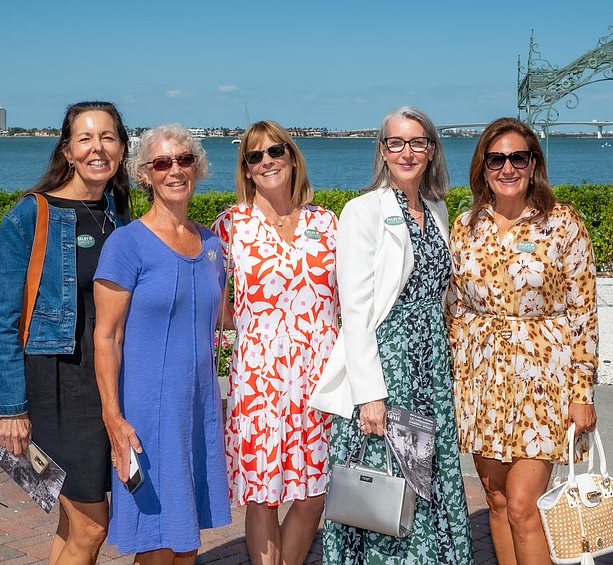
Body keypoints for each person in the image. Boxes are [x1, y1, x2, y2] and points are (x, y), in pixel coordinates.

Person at [310, 106, 474, 564]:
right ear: (382, 151)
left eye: (417, 142)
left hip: (431, 366)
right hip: (390, 364)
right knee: (386, 481)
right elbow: (357, 313)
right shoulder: (363, 211)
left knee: (430, 481)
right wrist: (370, 395)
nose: (407, 152)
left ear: (431, 150)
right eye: (396, 143)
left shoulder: (438, 208)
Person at [447, 117, 598, 565]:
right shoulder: (465, 226)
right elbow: (455, 308)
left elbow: (583, 312)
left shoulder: (562, 223)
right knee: (495, 499)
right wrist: (456, 376)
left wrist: (582, 392)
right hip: (482, 381)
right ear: (483, 168)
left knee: (523, 505)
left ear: (534, 164)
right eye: (497, 158)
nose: (507, 167)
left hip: (543, 380)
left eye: (518, 157)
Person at [0, 101, 131, 564]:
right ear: (67, 150)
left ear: (123, 148)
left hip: (104, 382)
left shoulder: (115, 214)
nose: (98, 147)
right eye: (85, 138)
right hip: (55, 382)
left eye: (108, 137)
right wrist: (12, 409)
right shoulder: (30, 215)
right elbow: (5, 319)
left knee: (72, 523)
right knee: (92, 525)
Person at [92, 124, 231, 563]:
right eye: (162, 163)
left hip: (198, 408)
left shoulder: (213, 244)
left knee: (187, 543)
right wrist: (113, 417)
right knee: (156, 545)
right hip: (148, 412)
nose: (175, 170)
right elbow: (107, 336)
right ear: (145, 174)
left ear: (198, 168)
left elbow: (222, 321)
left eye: (184, 160)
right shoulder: (126, 244)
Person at [211, 120, 338, 565]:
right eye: (255, 156)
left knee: (313, 494)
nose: (267, 161)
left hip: (321, 378)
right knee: (262, 495)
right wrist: (251, 323)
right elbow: (210, 301)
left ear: (292, 157)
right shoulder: (230, 227)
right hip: (260, 379)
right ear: (246, 169)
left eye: (275, 151)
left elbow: (349, 298)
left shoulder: (326, 222)